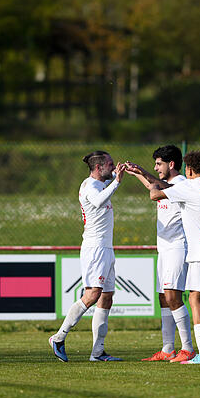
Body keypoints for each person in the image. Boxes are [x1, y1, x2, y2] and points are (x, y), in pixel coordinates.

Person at [139, 151, 200, 364]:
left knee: (195, 297)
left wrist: (153, 185)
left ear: (190, 169)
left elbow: (155, 195)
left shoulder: (189, 186)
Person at [49, 151, 127, 362]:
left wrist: (123, 174)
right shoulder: (90, 186)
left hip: (106, 248)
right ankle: (59, 337)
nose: (113, 167)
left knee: (107, 297)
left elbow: (107, 189)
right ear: (98, 168)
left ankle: (97, 352)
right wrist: (118, 181)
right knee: (93, 294)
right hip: (95, 248)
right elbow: (100, 201)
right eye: (110, 164)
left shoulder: (102, 183)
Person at [125, 146, 196, 363]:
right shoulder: (169, 185)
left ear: (171, 164)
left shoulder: (182, 183)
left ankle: (188, 348)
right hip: (163, 248)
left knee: (173, 296)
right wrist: (138, 173)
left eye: (159, 164)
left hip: (177, 247)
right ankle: (167, 349)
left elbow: (159, 189)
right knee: (163, 298)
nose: (156, 168)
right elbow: (153, 186)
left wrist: (144, 171)